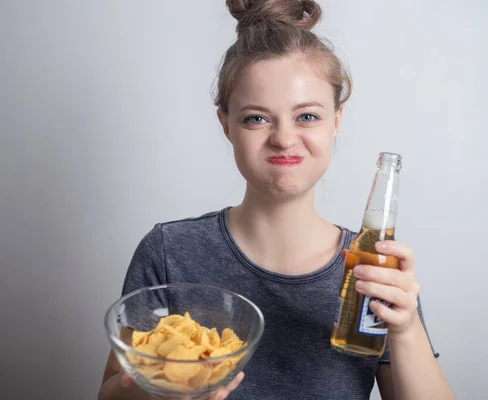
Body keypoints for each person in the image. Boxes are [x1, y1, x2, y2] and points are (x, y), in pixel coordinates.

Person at [98, 0, 455, 399]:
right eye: (256, 118)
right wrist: (167, 390)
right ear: (226, 126)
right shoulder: (168, 252)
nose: (284, 138)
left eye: (307, 116)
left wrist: (405, 330)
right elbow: (114, 390)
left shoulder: (373, 271)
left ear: (336, 121)